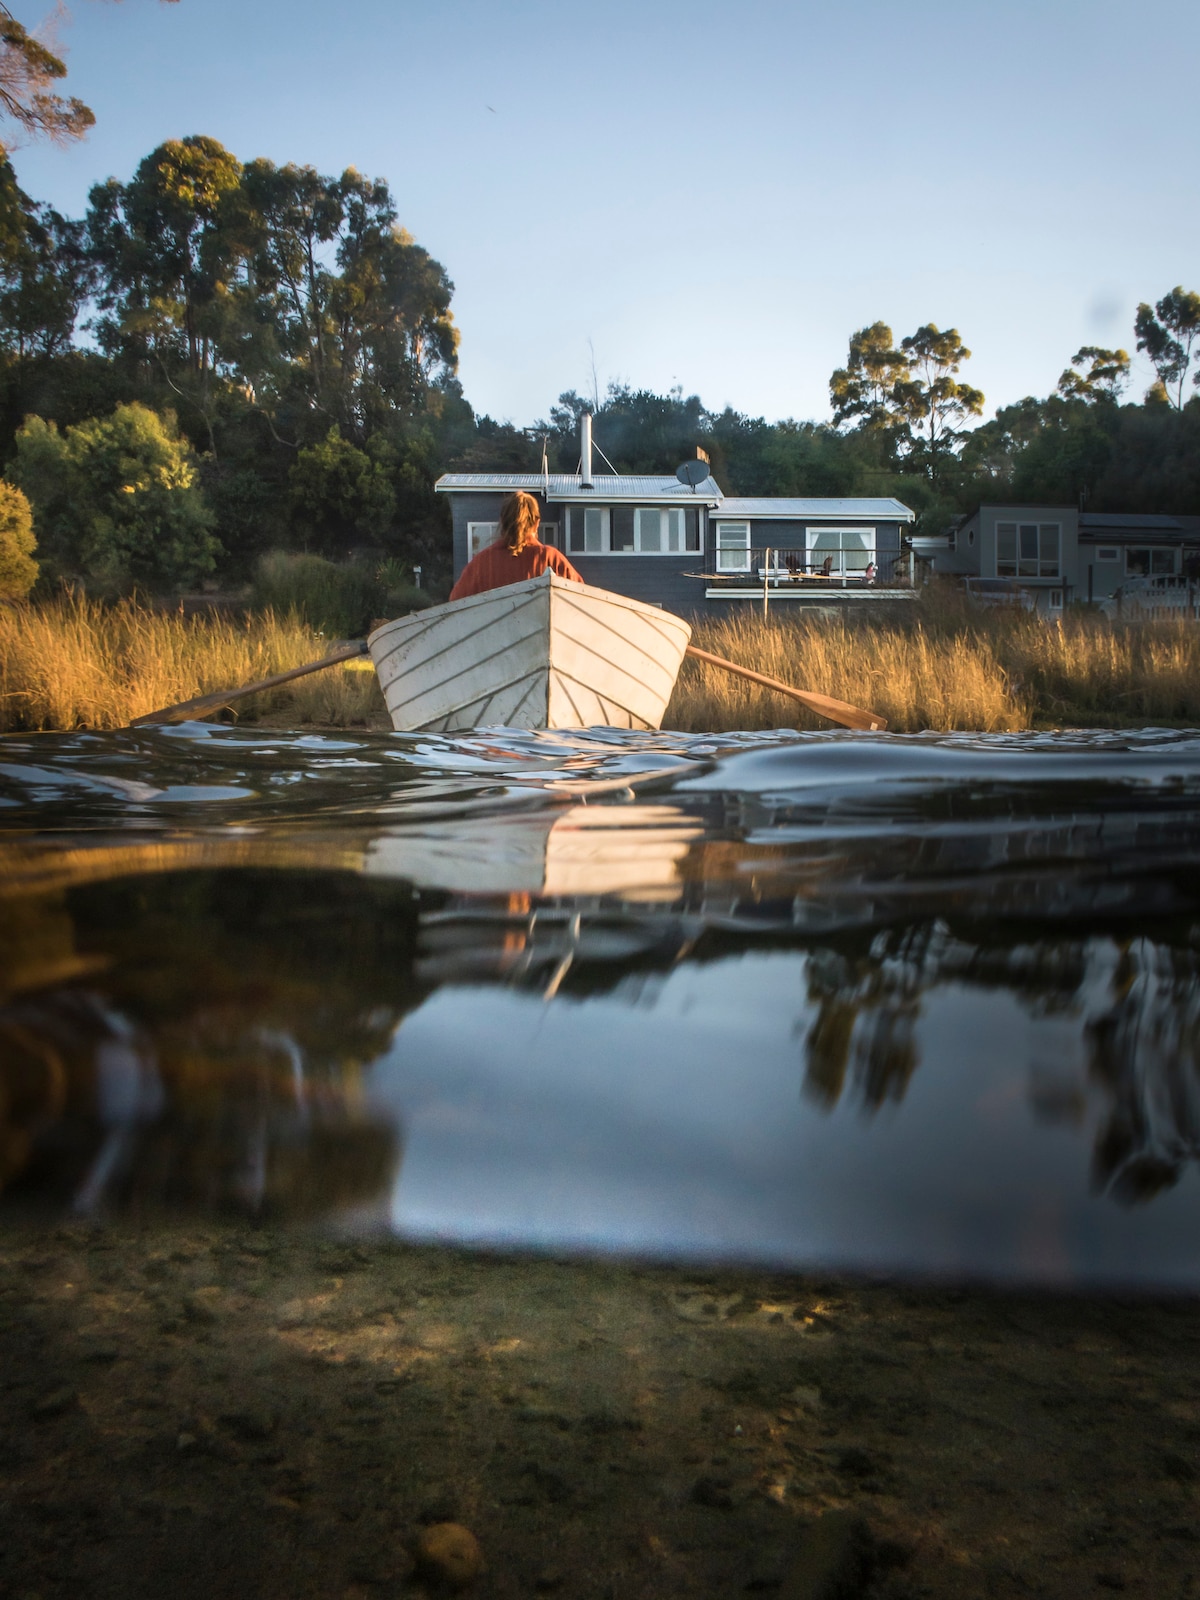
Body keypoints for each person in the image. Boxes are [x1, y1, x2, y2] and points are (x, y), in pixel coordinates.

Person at [449, 491, 584, 600]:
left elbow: (455, 601)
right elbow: (583, 597)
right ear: (537, 523)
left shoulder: (482, 562)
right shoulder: (550, 558)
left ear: (502, 522)